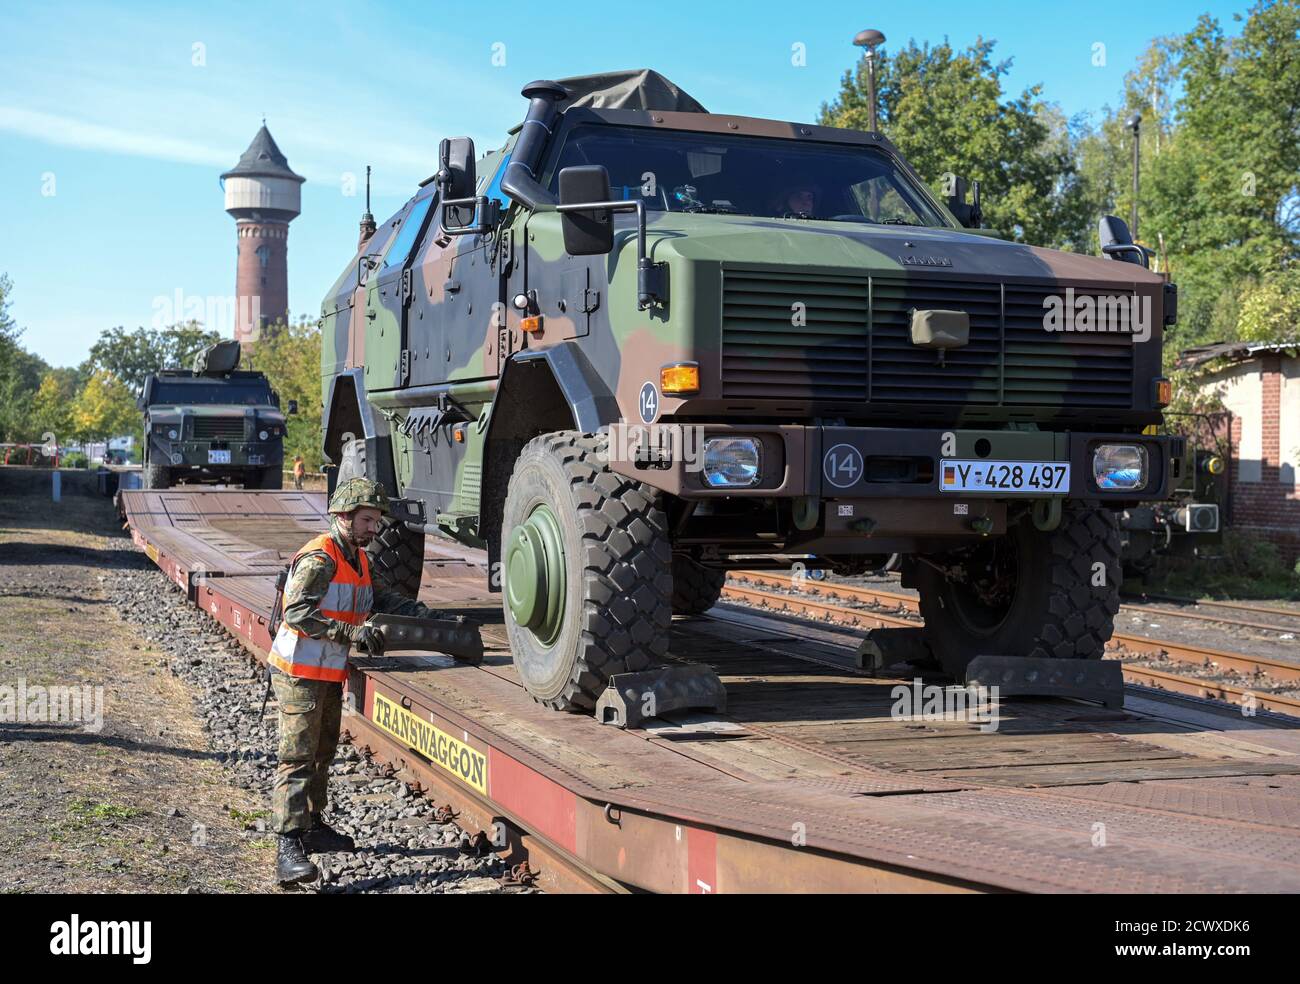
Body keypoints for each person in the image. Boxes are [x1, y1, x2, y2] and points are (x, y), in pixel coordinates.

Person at [270, 477, 439, 885]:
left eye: (376, 521)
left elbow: (381, 599)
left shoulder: (359, 559)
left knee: (323, 751)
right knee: (297, 756)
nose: (373, 529)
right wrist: (352, 635)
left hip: (327, 671)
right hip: (300, 672)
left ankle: (312, 824)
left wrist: (426, 615)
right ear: (343, 517)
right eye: (366, 520)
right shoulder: (320, 559)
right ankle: (287, 845)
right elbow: (297, 614)